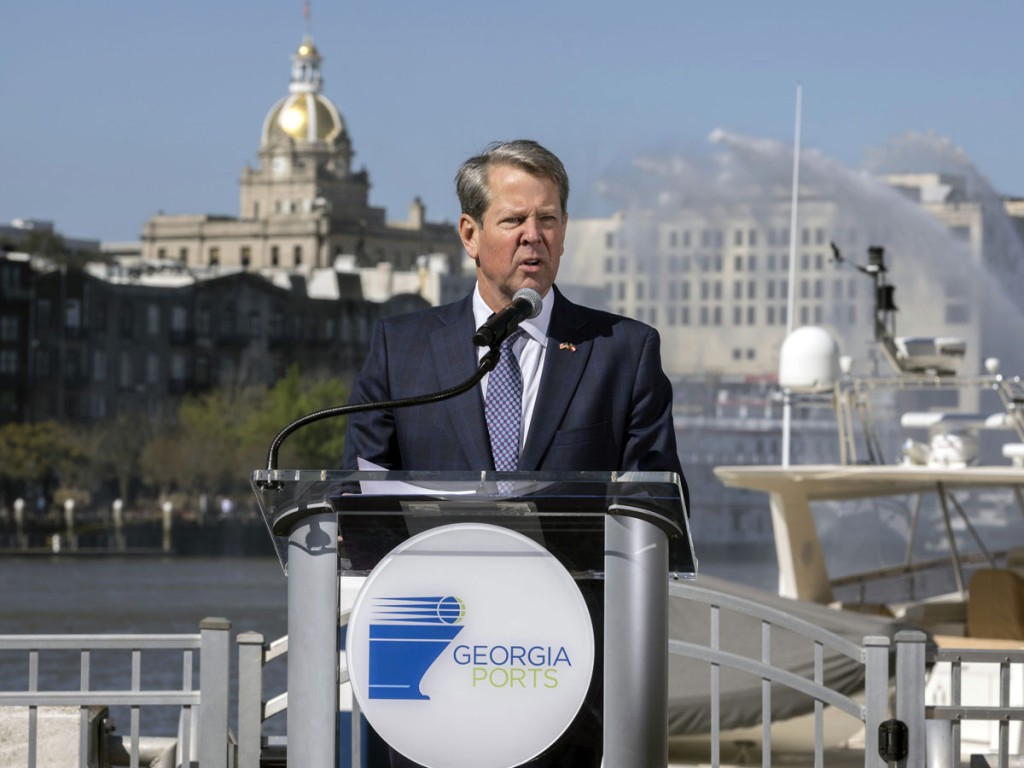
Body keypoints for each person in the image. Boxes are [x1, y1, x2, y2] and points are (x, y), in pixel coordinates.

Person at [343, 139, 687, 768]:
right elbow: (360, 498)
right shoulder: (403, 349)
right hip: (435, 679)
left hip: (567, 679)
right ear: (470, 234)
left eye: (548, 220)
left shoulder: (622, 352)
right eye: (514, 220)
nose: (534, 236)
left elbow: (656, 509)